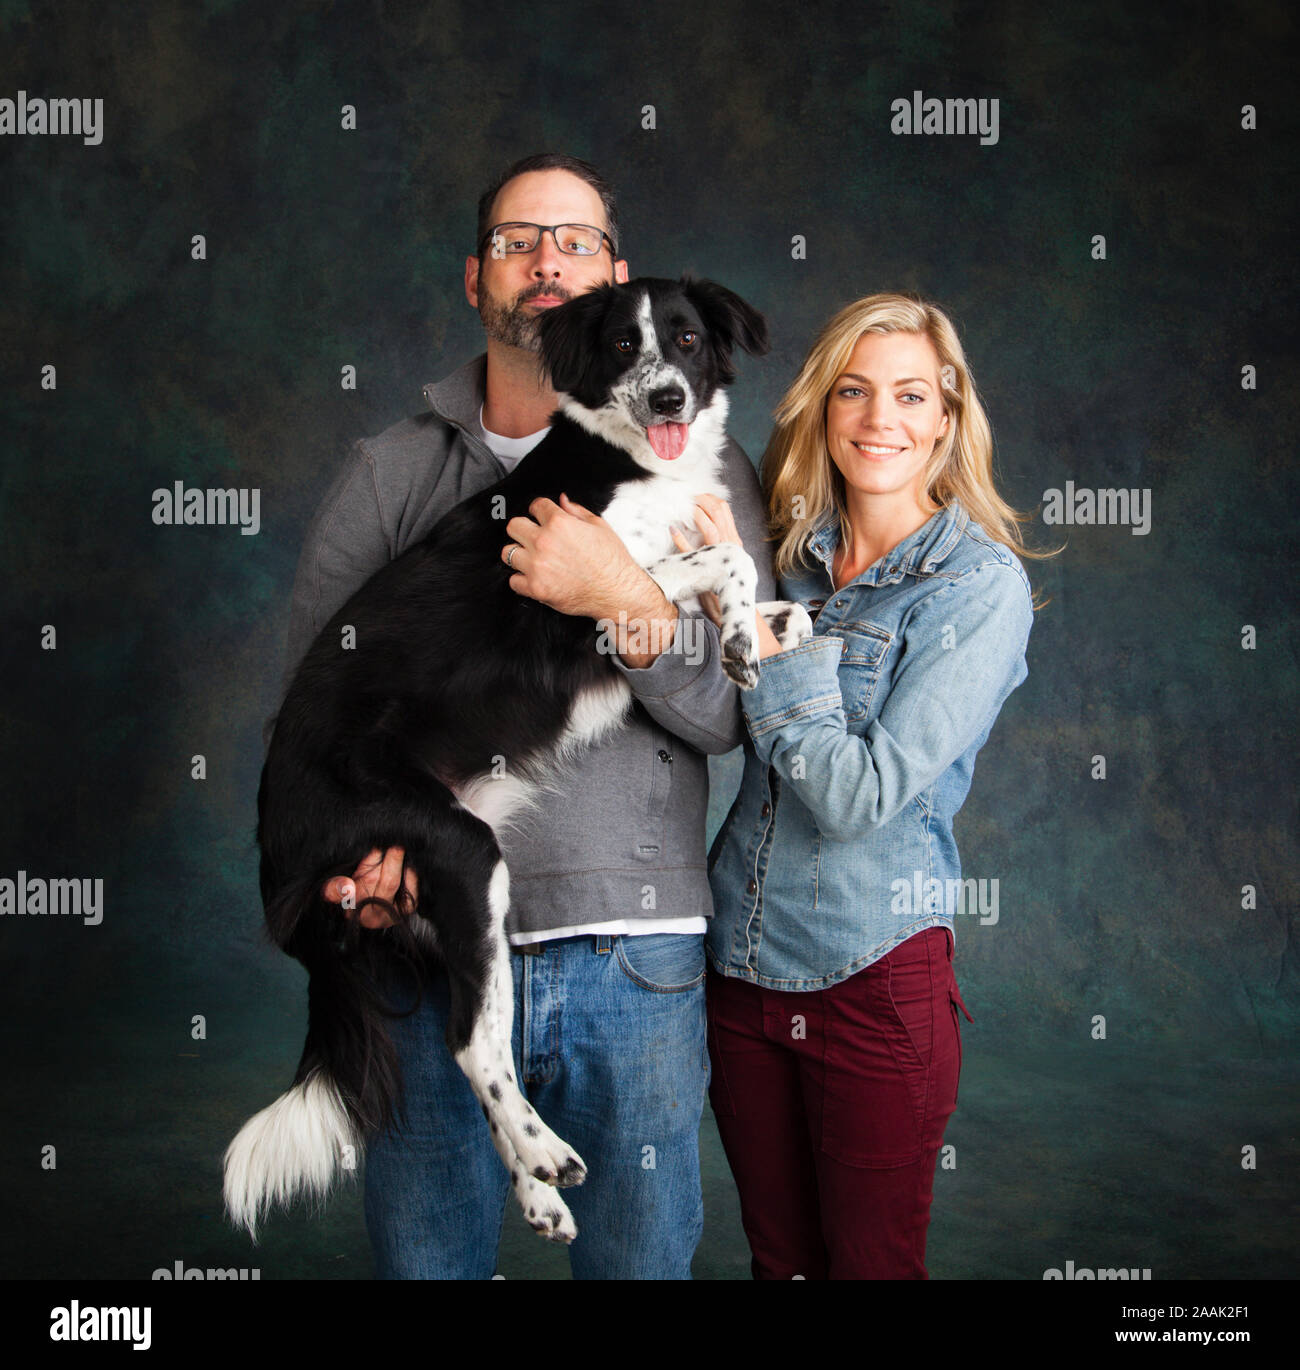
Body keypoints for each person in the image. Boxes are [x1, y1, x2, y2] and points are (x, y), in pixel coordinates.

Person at [269, 152, 776, 1278]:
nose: (548, 259)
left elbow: (726, 715)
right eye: (517, 240)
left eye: (576, 239)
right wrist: (351, 864)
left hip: (633, 958)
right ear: (476, 277)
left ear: (615, 276)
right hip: (420, 955)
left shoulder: (703, 468)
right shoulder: (390, 469)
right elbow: (322, 704)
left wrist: (624, 599)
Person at [685, 293, 1044, 1279]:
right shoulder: (787, 557)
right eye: (853, 390)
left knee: (870, 1265)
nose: (880, 417)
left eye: (910, 394)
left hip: (872, 980)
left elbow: (858, 796)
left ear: (946, 415)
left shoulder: (978, 587)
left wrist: (756, 632)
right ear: (823, 406)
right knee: (781, 1262)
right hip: (739, 971)